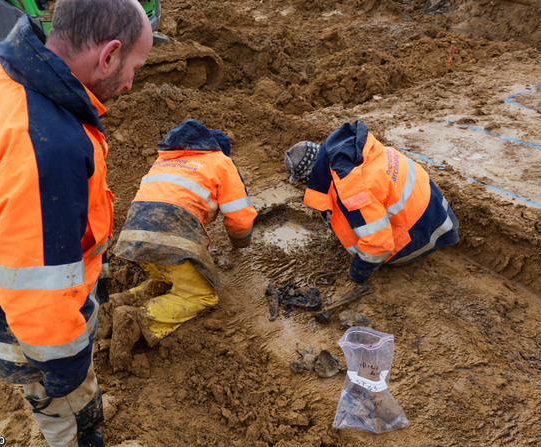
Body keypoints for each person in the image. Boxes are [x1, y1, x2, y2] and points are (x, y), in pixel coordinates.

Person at [0, 0, 153, 445]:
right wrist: (70, 376)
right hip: (28, 337)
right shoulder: (49, 147)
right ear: (108, 55)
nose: (132, 84)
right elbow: (42, 304)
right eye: (135, 66)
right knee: (70, 421)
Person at [107, 119, 257, 372]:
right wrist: (241, 243)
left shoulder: (164, 160)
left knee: (167, 277)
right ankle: (137, 318)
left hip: (134, 235)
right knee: (202, 294)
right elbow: (240, 219)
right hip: (170, 235)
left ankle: (115, 303)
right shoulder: (221, 161)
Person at [284, 120, 459, 283]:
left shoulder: (349, 187)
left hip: (422, 232)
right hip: (437, 208)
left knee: (371, 244)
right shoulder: (356, 151)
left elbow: (380, 244)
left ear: (311, 176)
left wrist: (358, 272)